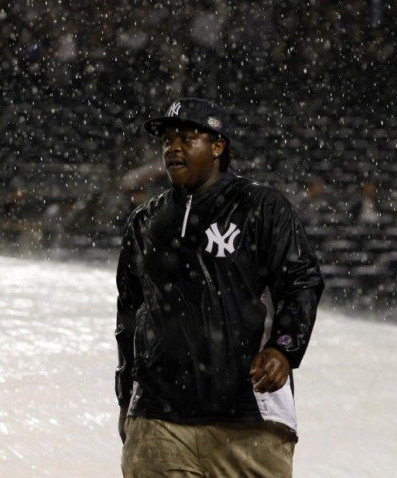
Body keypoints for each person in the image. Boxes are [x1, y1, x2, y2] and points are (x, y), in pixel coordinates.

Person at [115, 98, 324, 477]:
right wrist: (125, 394)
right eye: (167, 139)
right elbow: (129, 313)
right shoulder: (145, 222)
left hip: (249, 416)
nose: (172, 147)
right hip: (158, 416)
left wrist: (284, 347)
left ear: (217, 145)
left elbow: (301, 280)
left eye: (187, 137)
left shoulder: (261, 206)